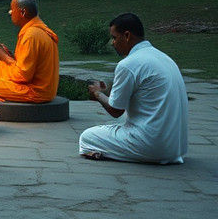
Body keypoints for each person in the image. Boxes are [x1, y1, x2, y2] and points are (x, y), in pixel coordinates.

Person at [79, 13, 189, 164]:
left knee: (87, 137)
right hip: (177, 148)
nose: (112, 43)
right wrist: (107, 92)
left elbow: (116, 110)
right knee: (116, 127)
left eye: (115, 37)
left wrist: (97, 94)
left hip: (152, 146)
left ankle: (112, 152)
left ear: (127, 35)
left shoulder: (129, 64)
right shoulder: (164, 58)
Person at [0, 0, 59, 102]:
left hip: (37, 92)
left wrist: (5, 57)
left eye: (12, 9)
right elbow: (29, 65)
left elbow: (23, 76)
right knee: (1, 66)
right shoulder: (37, 30)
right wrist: (10, 56)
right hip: (46, 89)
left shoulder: (31, 35)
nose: (10, 13)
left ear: (23, 12)